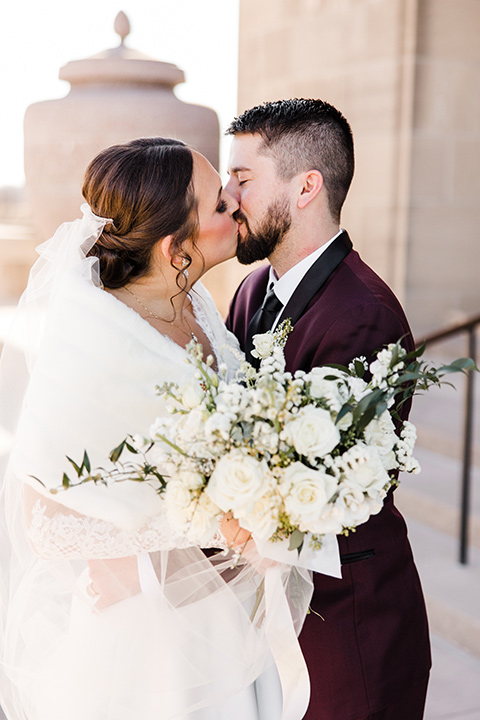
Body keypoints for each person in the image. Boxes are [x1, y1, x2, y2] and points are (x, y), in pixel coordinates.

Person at [0, 137, 312, 720]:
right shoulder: (94, 338)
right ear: (175, 248)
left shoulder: (193, 302)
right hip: (144, 634)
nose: (235, 206)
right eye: (219, 206)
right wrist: (192, 532)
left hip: (221, 611)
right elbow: (43, 522)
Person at [225, 99, 431, 720]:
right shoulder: (253, 289)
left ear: (306, 186)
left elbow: (321, 489)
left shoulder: (361, 314)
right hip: (270, 619)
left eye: (243, 179)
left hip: (350, 632)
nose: (228, 197)